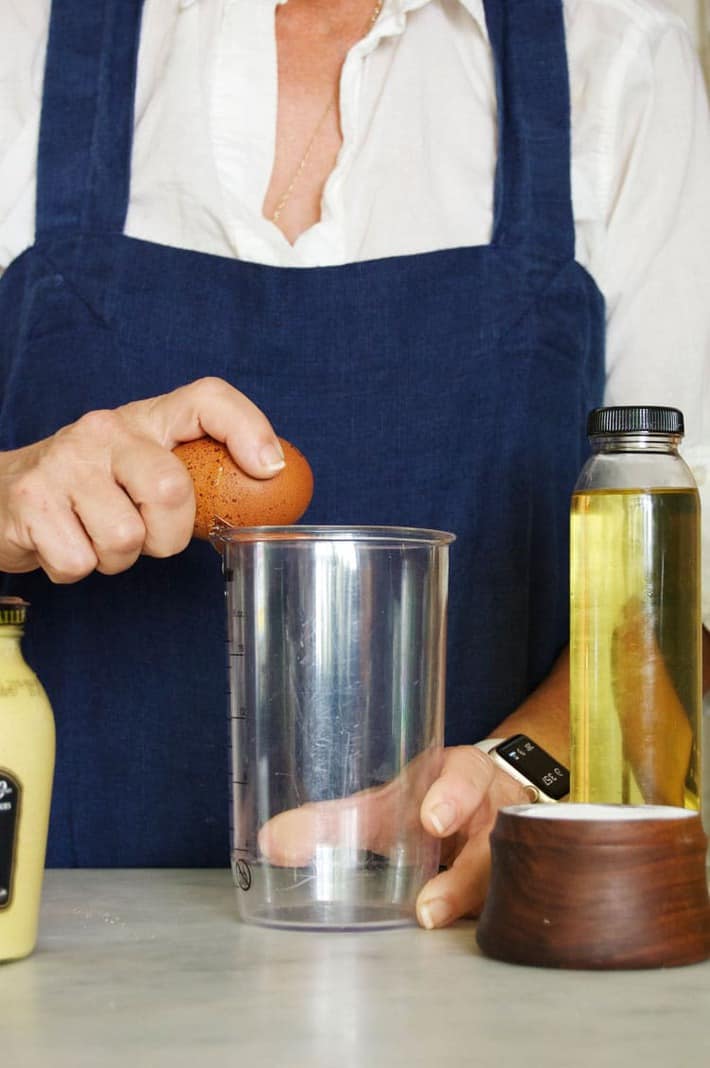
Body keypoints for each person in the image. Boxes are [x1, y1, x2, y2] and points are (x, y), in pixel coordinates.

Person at [0, 0, 709, 930]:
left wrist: (523, 770)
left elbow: (670, 614)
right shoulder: (20, 43)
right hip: (43, 950)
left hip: (467, 958)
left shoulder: (621, 63)